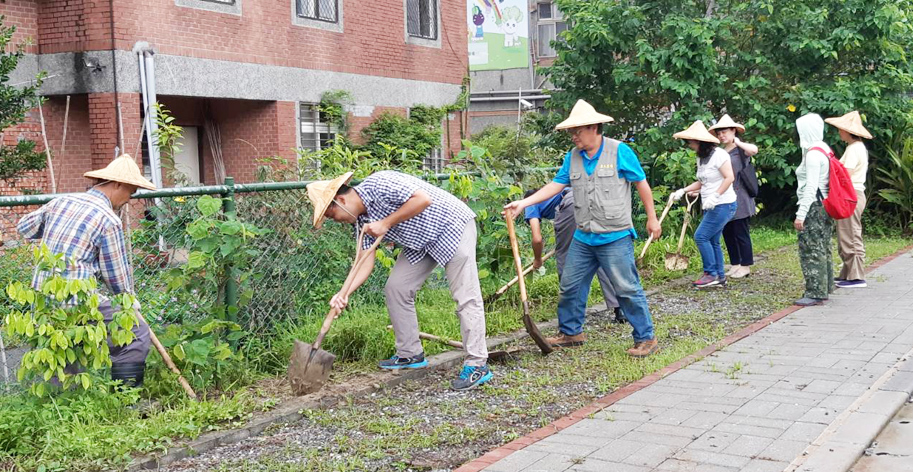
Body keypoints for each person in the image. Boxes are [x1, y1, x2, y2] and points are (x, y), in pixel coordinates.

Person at [503, 99, 662, 358]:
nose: (572, 136)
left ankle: (646, 338)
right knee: (570, 285)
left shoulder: (619, 151)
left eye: (577, 131)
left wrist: (652, 218)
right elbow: (555, 185)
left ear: (594, 128)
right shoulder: (572, 157)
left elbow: (641, 184)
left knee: (626, 288)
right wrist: (524, 203)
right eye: (570, 131)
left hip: (615, 235)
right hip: (584, 236)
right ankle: (571, 333)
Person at [306, 170, 492, 391]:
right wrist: (343, 294)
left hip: (450, 226)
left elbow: (423, 199)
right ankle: (410, 353)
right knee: (396, 288)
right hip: (421, 242)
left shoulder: (381, 183)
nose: (335, 221)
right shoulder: (361, 221)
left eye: (331, 216)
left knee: (465, 296)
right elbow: (365, 262)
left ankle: (477, 364)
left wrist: (386, 223)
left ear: (340, 201)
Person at [17, 155, 156, 387]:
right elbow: (115, 277)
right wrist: (129, 302)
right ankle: (125, 399)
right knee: (136, 334)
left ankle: (62, 405)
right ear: (117, 184)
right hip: (78, 301)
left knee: (60, 348)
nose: (129, 199)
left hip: (42, 300)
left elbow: (24, 227)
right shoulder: (108, 220)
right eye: (130, 192)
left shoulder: (61, 202)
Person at [523, 187, 626, 324]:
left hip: (573, 205)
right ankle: (621, 309)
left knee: (566, 259)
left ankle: (571, 317)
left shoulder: (530, 202)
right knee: (600, 255)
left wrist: (537, 260)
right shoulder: (556, 192)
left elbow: (537, 239)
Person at [671, 121, 738, 288]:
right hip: (710, 204)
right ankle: (720, 276)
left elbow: (729, 178)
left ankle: (711, 273)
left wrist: (715, 195)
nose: (689, 145)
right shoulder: (701, 158)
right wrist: (683, 190)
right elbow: (702, 182)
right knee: (713, 240)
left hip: (723, 204)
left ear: (701, 142)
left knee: (701, 236)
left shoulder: (720, 155)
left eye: (691, 142)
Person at [825, 111, 872, 289]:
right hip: (853, 195)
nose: (839, 132)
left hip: (851, 195)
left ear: (848, 131)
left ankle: (856, 277)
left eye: (841, 129)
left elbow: (845, 175)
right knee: (847, 234)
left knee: (850, 235)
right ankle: (848, 274)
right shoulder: (855, 147)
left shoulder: (854, 149)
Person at [709, 115, 759, 279]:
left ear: (733, 131)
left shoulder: (741, 150)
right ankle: (735, 263)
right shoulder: (722, 152)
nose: (722, 136)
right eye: (719, 133)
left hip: (740, 195)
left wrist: (736, 141)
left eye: (724, 132)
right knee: (728, 231)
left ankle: (745, 265)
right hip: (725, 195)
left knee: (740, 231)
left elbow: (754, 150)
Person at [793, 113, 835, 306]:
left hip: (814, 206)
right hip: (826, 204)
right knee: (824, 246)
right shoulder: (824, 149)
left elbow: (811, 187)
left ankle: (815, 292)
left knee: (811, 249)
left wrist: (800, 214)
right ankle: (825, 286)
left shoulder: (812, 154)